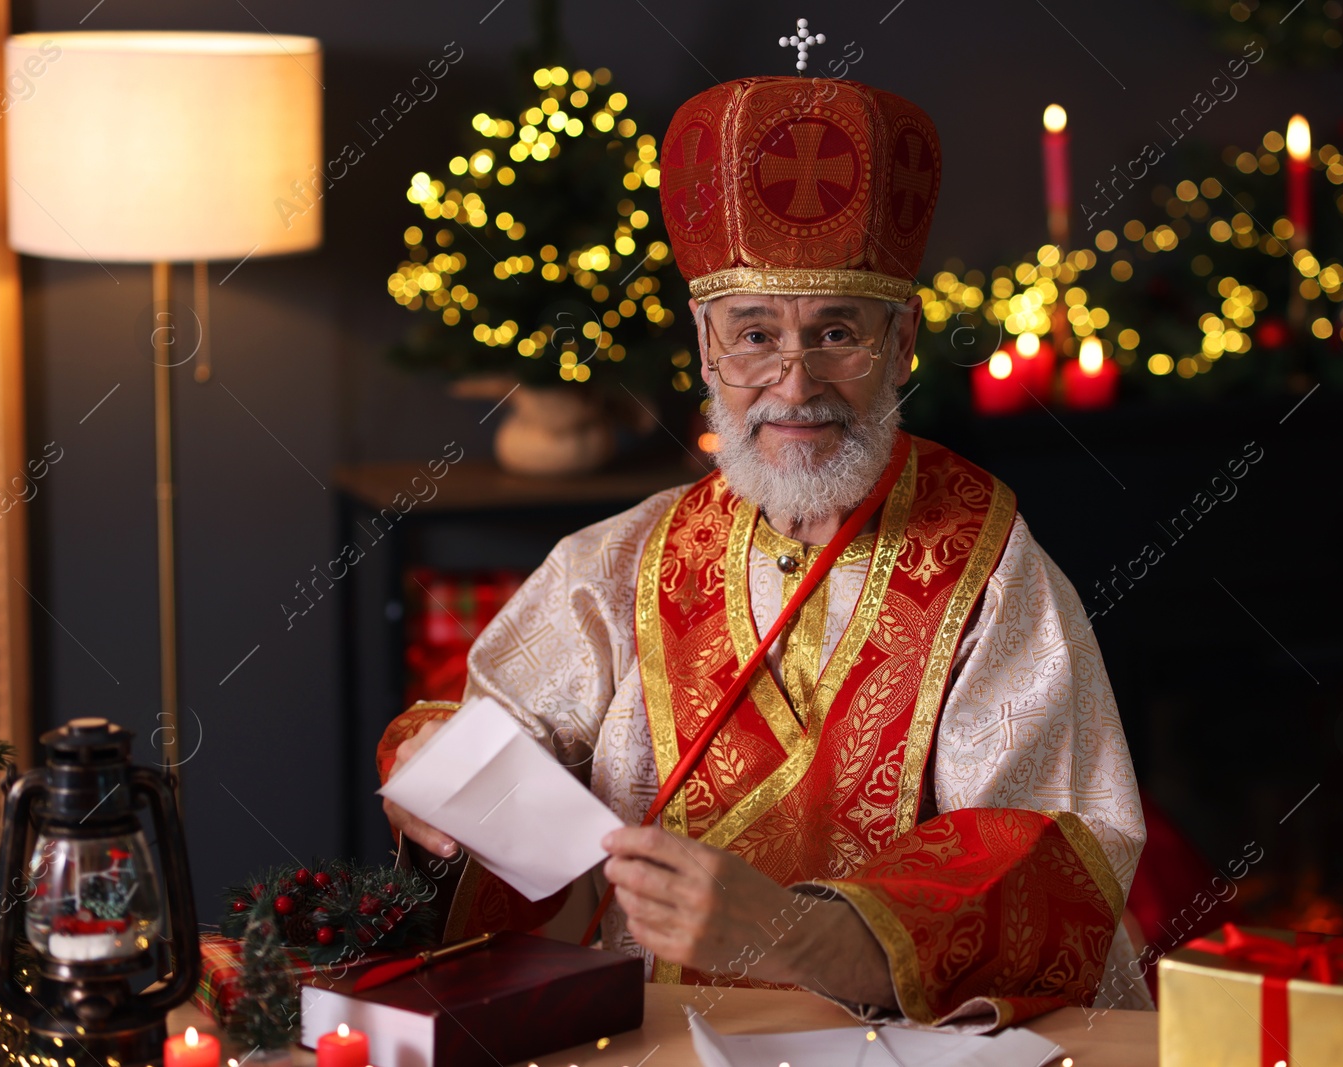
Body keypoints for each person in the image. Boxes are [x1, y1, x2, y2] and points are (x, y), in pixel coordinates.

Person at [379, 74, 1148, 1029]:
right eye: (754, 335)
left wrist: (789, 931)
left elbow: (1045, 850)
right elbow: (489, 724)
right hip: (650, 1036)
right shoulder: (619, 560)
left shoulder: (993, 572)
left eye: (837, 332)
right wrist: (440, 773)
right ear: (706, 347)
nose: (795, 380)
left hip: (894, 1048)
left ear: (902, 342)